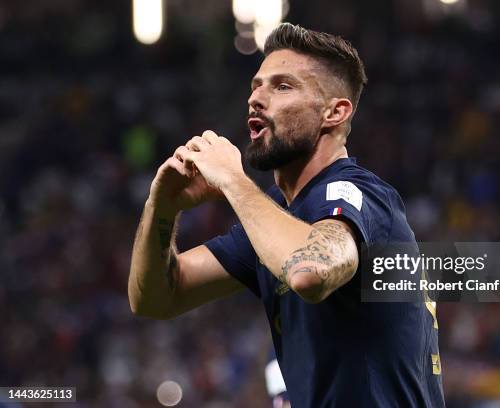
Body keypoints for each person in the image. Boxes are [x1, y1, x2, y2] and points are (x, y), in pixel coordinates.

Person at [128, 23, 445, 407]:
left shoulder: (359, 193)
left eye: (282, 86)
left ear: (334, 111)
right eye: (255, 86)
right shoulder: (278, 217)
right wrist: (162, 207)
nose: (256, 99)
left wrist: (232, 180)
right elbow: (156, 298)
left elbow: (311, 270)